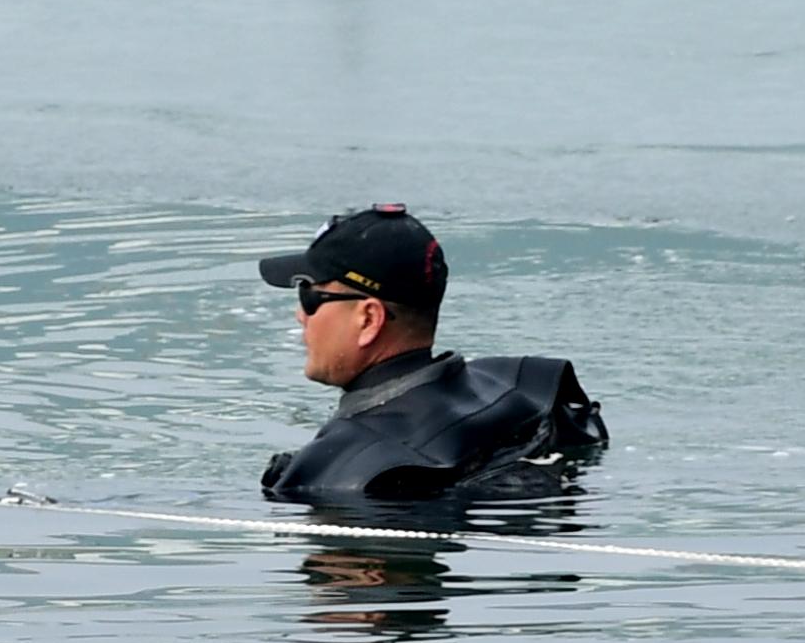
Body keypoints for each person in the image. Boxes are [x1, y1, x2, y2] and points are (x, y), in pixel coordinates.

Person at [255, 205, 606, 505]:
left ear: (368, 319)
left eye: (310, 297)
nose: (300, 315)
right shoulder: (523, 386)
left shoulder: (335, 470)